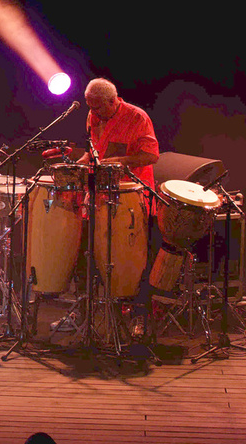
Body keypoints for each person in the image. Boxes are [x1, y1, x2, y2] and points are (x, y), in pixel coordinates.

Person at [51, 78, 160, 338]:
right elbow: (95, 152)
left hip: (131, 197)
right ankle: (81, 310)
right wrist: (79, 164)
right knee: (86, 253)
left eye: (98, 108)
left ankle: (139, 315)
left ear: (113, 101)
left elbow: (152, 155)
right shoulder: (93, 114)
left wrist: (122, 161)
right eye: (91, 108)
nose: (94, 114)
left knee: (133, 261)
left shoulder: (137, 118)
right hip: (99, 195)